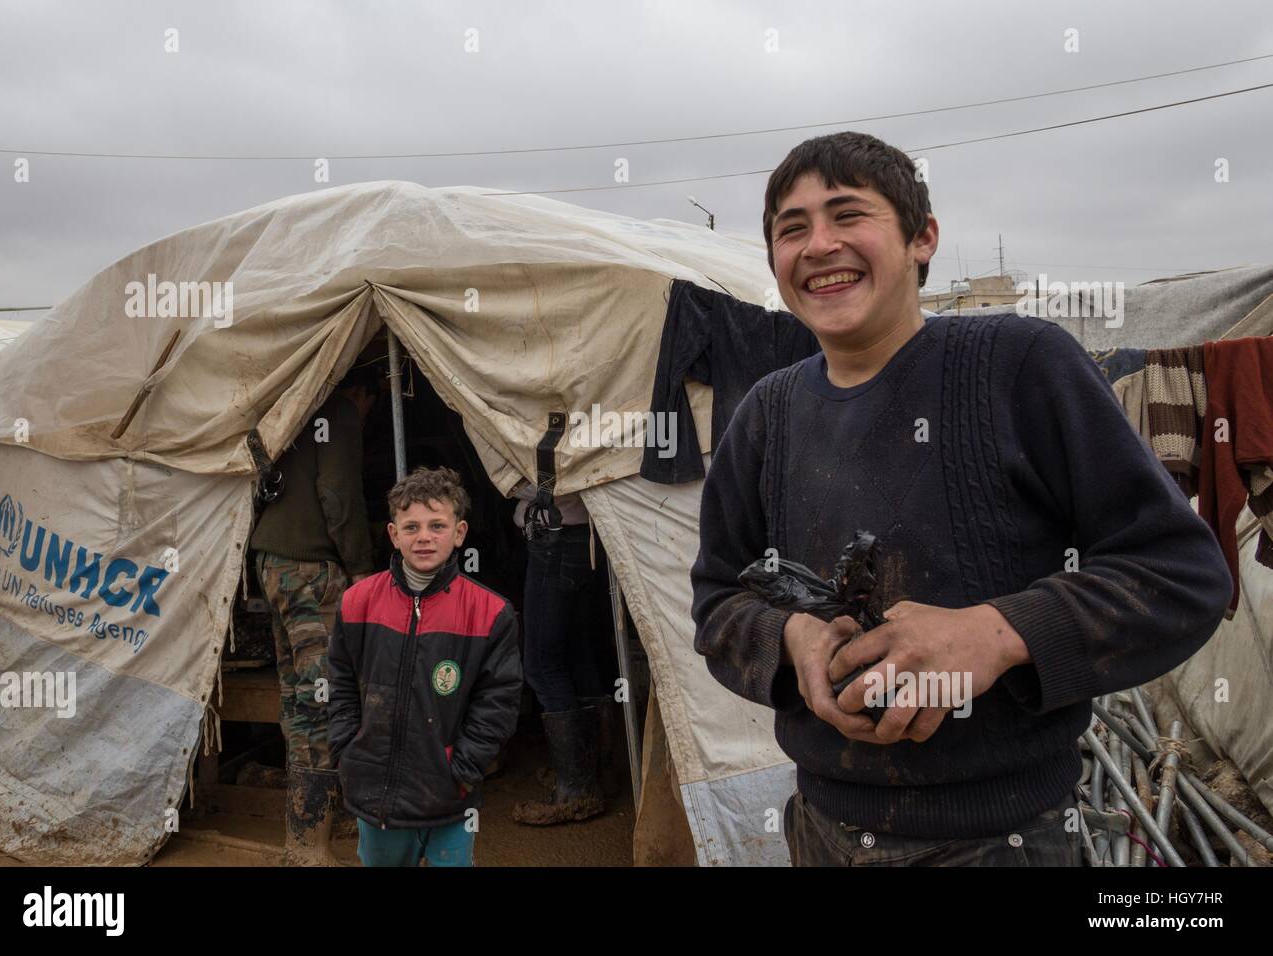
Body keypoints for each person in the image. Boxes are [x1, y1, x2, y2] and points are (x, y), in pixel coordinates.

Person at [690, 131, 1232, 866]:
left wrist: (996, 633)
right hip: (820, 829)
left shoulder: (1022, 367)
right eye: (792, 228)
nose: (819, 244)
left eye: (849, 215)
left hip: (1002, 842)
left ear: (922, 239)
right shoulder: (765, 414)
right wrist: (795, 642)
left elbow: (1181, 575)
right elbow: (720, 595)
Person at [328, 466, 521, 867]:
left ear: (460, 532)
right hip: (376, 795)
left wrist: (463, 767)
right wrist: (349, 749)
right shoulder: (357, 602)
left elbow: (499, 701)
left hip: (449, 795)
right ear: (394, 535)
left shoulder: (490, 612)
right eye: (411, 527)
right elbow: (339, 681)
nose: (425, 537)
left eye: (437, 525)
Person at [249, 365, 378, 865]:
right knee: (324, 695)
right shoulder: (340, 412)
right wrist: (363, 570)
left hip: (273, 561)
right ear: (363, 392)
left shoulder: (296, 410)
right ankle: (310, 844)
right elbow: (339, 495)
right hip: (310, 567)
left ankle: (307, 825)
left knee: (299, 694)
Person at [508, 485, 612, 826]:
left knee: (541, 663)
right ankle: (594, 770)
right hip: (581, 532)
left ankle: (576, 790)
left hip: (555, 537)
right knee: (577, 649)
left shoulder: (547, 438)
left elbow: (529, 478)